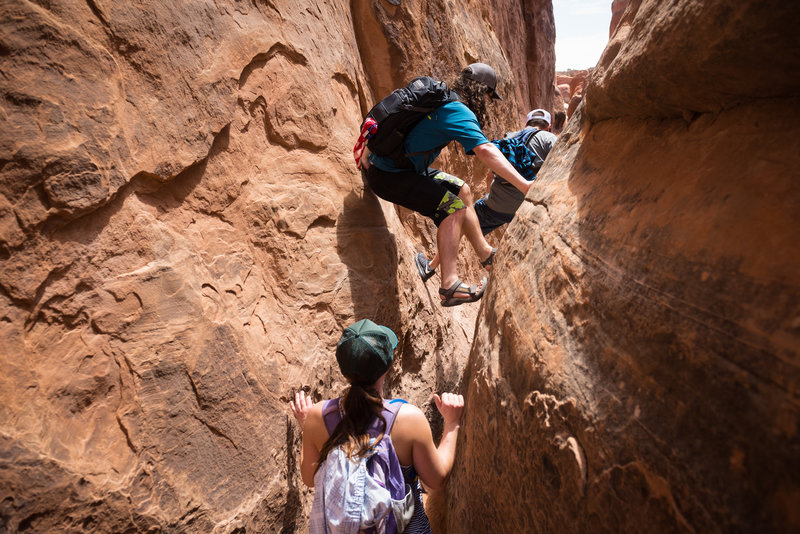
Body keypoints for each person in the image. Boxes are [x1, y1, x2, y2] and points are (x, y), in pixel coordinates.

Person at [360, 63, 532, 306]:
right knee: (453, 207)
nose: (486, 102)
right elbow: (485, 149)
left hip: (391, 168)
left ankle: (485, 253)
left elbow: (394, 118)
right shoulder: (458, 111)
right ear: (479, 91)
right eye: (487, 96)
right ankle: (449, 285)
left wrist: (368, 151)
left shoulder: (438, 99)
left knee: (462, 190)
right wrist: (525, 185)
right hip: (390, 176)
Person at [290, 319, 464, 533]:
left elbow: (310, 479)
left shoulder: (317, 416)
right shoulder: (409, 418)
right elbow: (437, 481)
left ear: (343, 368)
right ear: (388, 365)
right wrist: (452, 423)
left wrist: (307, 427)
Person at [417, 109, 558, 278]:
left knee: (461, 224)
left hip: (497, 206)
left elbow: (491, 175)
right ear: (548, 127)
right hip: (532, 207)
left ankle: (430, 267)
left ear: (526, 123)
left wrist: (492, 193)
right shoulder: (550, 139)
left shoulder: (510, 137)